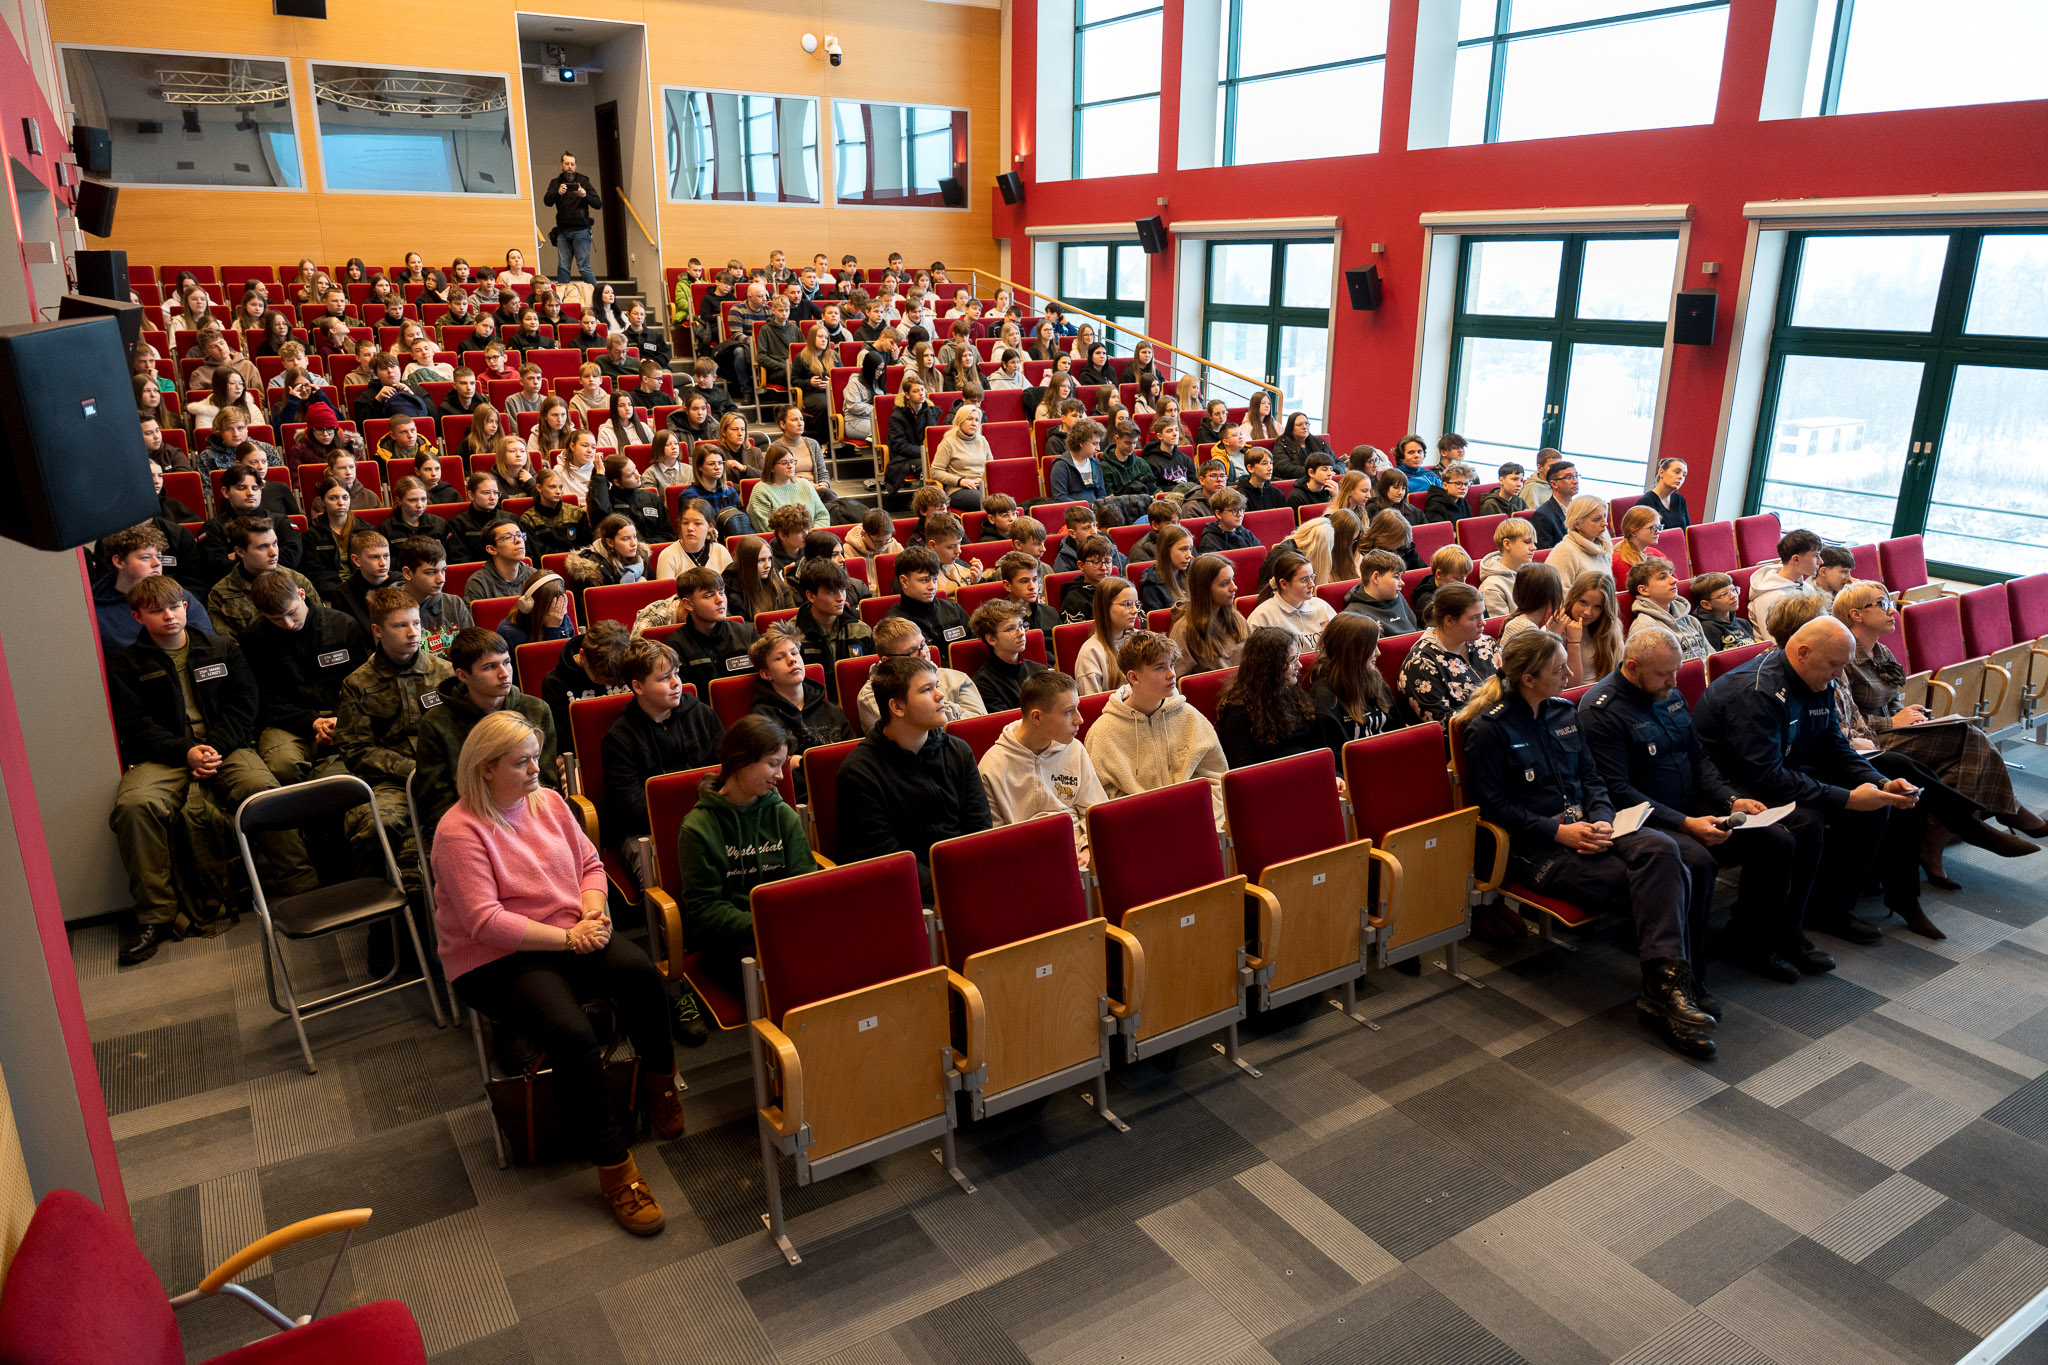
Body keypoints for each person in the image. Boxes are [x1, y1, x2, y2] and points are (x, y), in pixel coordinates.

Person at [430, 711, 680, 1235]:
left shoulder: (548, 803)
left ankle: (659, 1086)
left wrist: (594, 913)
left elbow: (590, 865)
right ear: (485, 769)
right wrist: (571, 938)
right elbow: (485, 922)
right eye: (521, 762)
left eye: (535, 758)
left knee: (642, 978)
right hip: (495, 957)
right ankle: (615, 1169)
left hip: (567, 930)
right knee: (572, 1034)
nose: (535, 770)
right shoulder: (458, 832)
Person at [1459, 629, 1716, 1057]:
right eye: (1559, 668)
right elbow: (1492, 808)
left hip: (1592, 829)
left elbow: (1593, 780)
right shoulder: (1489, 729)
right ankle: (1673, 995)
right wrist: (1559, 832)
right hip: (1540, 848)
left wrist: (1600, 820)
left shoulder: (1564, 712)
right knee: (1661, 880)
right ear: (1528, 677)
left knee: (1663, 850)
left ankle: (1664, 993)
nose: (1570, 673)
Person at [1580, 626, 1820, 984]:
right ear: (1632, 668)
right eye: (1664, 674)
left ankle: (1752, 943)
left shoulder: (1670, 695)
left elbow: (1698, 758)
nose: (1673, 682)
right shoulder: (1602, 711)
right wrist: (1684, 824)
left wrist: (1730, 798)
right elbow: (1618, 789)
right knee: (1698, 861)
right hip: (1648, 819)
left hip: (1692, 804)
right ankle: (1690, 975)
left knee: (1778, 841)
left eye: (1676, 671)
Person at [107, 576, 317, 963]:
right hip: (165, 755)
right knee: (134, 807)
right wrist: (187, 752)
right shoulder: (126, 665)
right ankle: (155, 916)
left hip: (227, 745)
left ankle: (301, 884)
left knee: (263, 789)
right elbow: (135, 726)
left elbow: (245, 705)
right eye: (157, 611)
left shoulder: (220, 647)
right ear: (138, 616)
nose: (169, 616)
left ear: (186, 606)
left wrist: (214, 748)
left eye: (175, 606)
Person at [1693, 616, 1924, 950]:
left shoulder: (1818, 680)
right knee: (1807, 820)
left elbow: (1834, 748)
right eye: (1833, 665)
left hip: (1777, 770)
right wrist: (1847, 798)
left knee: (1875, 805)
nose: (1838, 675)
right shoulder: (1756, 692)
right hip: (1729, 787)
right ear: (1802, 652)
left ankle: (1830, 909)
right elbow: (1765, 777)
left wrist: (1879, 783)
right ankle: (1781, 929)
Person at [1833, 579, 2046, 860]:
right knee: (1969, 738)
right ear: (1856, 614)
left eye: (1891, 604)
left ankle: (1937, 837)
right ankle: (2004, 813)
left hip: (1897, 732)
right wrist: (1893, 722)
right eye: (1882, 605)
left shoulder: (1882, 651)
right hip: (1870, 741)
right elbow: (1845, 722)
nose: (1892, 611)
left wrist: (1911, 717)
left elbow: (1895, 700)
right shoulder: (1843, 657)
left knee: (1967, 748)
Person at [677, 715, 819, 993]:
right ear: (740, 760)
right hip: (728, 939)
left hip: (781, 927)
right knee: (786, 973)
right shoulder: (698, 827)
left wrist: (785, 921)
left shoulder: (782, 815)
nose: (781, 775)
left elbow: (804, 881)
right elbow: (705, 908)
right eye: (773, 764)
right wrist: (764, 922)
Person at [835, 653, 992, 900]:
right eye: (927, 690)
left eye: (937, 686)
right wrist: (950, 890)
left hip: (966, 878)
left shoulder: (958, 750)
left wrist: (971, 878)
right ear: (897, 707)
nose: (941, 696)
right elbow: (886, 856)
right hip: (901, 894)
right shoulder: (859, 772)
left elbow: (979, 827)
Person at [414, 626, 561, 838]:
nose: (504, 674)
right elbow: (436, 805)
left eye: (507, 663)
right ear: (463, 675)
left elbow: (544, 783)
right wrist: (488, 831)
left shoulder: (536, 710)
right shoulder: (437, 724)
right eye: (490, 667)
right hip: (469, 829)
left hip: (527, 821)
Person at [1086, 631, 1229, 826]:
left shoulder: (1189, 716)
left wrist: (1198, 816)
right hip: (1139, 831)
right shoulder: (1103, 732)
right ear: (1134, 677)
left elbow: (1215, 777)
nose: (1172, 674)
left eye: (1171, 665)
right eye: (1160, 668)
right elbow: (1102, 798)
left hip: (1195, 822)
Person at [246, 569, 369, 786]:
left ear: (301, 594)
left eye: (292, 612)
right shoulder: (254, 639)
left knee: (353, 761)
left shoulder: (343, 625)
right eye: (276, 619)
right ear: (262, 614)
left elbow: (361, 685)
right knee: (284, 767)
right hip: (286, 721)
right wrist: (311, 722)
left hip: (342, 713)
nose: (289, 624)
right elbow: (265, 701)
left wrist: (339, 720)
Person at [978, 669, 1110, 864]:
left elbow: (1095, 810)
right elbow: (995, 840)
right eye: (1068, 712)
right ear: (1037, 717)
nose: (1079, 719)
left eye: (1077, 708)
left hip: (1077, 850)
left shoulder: (1074, 749)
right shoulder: (992, 766)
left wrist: (1088, 847)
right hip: (1025, 858)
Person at [748, 628, 855, 795]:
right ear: (766, 674)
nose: (792, 660)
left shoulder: (831, 710)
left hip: (848, 789)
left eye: (795, 653)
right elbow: (779, 778)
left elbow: (853, 758)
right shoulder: (762, 721)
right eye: (780, 658)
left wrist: (804, 762)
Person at [1215, 628, 1321, 767]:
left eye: (1297, 657)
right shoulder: (1239, 713)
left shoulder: (1292, 691)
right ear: (1269, 666)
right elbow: (1244, 770)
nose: (1299, 665)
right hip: (1273, 782)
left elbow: (1314, 744)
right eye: (1291, 660)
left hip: (1307, 770)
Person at [1399, 584, 1498, 730]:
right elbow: (1446, 725)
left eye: (1482, 614)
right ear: (1449, 621)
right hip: (1469, 740)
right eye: (1474, 618)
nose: (1483, 622)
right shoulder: (1421, 663)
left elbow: (1509, 686)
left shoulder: (1487, 643)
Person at [857, 617, 986, 729]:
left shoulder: (957, 679)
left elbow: (978, 726)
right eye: (912, 651)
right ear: (887, 661)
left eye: (924, 644)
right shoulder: (871, 696)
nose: (924, 653)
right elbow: (909, 736)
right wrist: (955, 709)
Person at [205, 517, 317, 642]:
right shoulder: (221, 594)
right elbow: (230, 648)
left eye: (275, 543)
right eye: (263, 547)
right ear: (240, 551)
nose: (273, 552)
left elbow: (321, 626)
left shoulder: (297, 581)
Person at [1309, 613, 1404, 755]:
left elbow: (1400, 731)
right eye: (1372, 647)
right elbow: (1333, 756)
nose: (1378, 653)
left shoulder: (1375, 678)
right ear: (1354, 652)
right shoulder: (1325, 697)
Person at [656, 566, 759, 695]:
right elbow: (684, 699)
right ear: (688, 604)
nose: (720, 600)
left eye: (721, 592)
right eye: (709, 595)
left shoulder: (748, 634)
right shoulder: (675, 647)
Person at [1170, 553, 1250, 677]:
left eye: (1232, 579)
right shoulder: (1184, 629)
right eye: (1224, 583)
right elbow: (1179, 682)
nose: (1234, 587)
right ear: (1204, 589)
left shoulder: (1236, 616)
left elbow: (1253, 657)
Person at [966, 599, 1048, 712]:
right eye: (1011, 629)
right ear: (991, 639)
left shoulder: (1039, 670)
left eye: (1020, 625)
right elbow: (1007, 723)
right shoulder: (983, 683)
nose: (1021, 633)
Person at [1247, 550, 1333, 649]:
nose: (1312, 584)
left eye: (1312, 577)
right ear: (1284, 584)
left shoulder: (1322, 606)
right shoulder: (1262, 617)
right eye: (1304, 580)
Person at [1626, 560, 1711, 661]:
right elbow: (1647, 673)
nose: (1674, 580)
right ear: (1644, 590)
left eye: (1671, 574)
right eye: (1662, 577)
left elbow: (1711, 660)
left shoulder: (1691, 621)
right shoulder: (1645, 627)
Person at [1748, 529, 1824, 635]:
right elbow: (1775, 642)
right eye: (1816, 555)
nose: (1821, 561)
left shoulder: (1807, 588)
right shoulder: (1769, 598)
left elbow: (1825, 622)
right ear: (1796, 559)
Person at [543, 152, 600, 289]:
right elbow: (547, 202)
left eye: (572, 164)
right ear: (561, 165)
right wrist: (557, 193)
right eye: (567, 164)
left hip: (581, 231)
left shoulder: (584, 181)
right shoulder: (555, 183)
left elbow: (598, 204)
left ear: (576, 166)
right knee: (563, 267)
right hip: (563, 231)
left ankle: (596, 295)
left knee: (583, 266)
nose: (570, 167)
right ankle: (562, 299)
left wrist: (585, 195)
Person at [1073, 576, 1138, 696]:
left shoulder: (1142, 640)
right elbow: (1094, 706)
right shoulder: (1091, 653)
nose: (1135, 610)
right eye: (1127, 604)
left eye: (1136, 604)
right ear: (1105, 607)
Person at [1342, 549, 1419, 635]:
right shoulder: (1356, 615)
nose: (1402, 583)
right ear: (1376, 577)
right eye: (1396, 576)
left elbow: (1415, 629)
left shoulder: (1397, 595)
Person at [1544, 496, 1614, 588]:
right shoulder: (1564, 551)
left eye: (1604, 516)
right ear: (1577, 524)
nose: (1605, 523)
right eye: (1597, 519)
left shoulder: (1603, 546)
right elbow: (1557, 594)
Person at [463, 518, 536, 601]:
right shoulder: (479, 583)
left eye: (519, 535)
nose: (518, 540)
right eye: (507, 537)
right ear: (492, 549)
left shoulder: (534, 577)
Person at [1478, 517, 1535, 618]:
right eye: (1527, 542)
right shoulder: (1491, 588)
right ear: (1507, 544)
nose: (1533, 547)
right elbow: (1502, 629)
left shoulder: (1532, 574)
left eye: (1534, 543)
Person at [1693, 572, 1759, 653]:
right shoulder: (1707, 628)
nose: (1733, 596)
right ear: (1706, 604)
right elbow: (1714, 661)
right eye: (1724, 594)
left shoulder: (1743, 623)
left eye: (1733, 590)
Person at [1141, 524, 1194, 613]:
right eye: (1183, 549)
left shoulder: (1194, 572)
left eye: (1190, 549)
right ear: (1166, 550)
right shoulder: (1152, 583)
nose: (1189, 555)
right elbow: (1157, 621)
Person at [1528, 460, 1578, 549]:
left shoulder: (1580, 507)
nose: (1575, 481)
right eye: (1569, 477)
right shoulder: (1542, 516)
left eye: (1576, 476)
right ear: (1554, 484)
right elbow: (1545, 554)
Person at [1611, 505, 1665, 585]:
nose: (1658, 532)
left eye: (1659, 527)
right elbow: (1631, 594)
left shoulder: (1656, 554)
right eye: (1653, 528)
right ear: (1633, 532)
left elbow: (1673, 582)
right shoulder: (1619, 560)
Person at [1639, 458, 1691, 531]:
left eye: (1684, 475)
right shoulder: (1645, 502)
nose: (1681, 477)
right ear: (1661, 473)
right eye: (1677, 472)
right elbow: (1643, 537)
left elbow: (1687, 531)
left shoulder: (1679, 499)